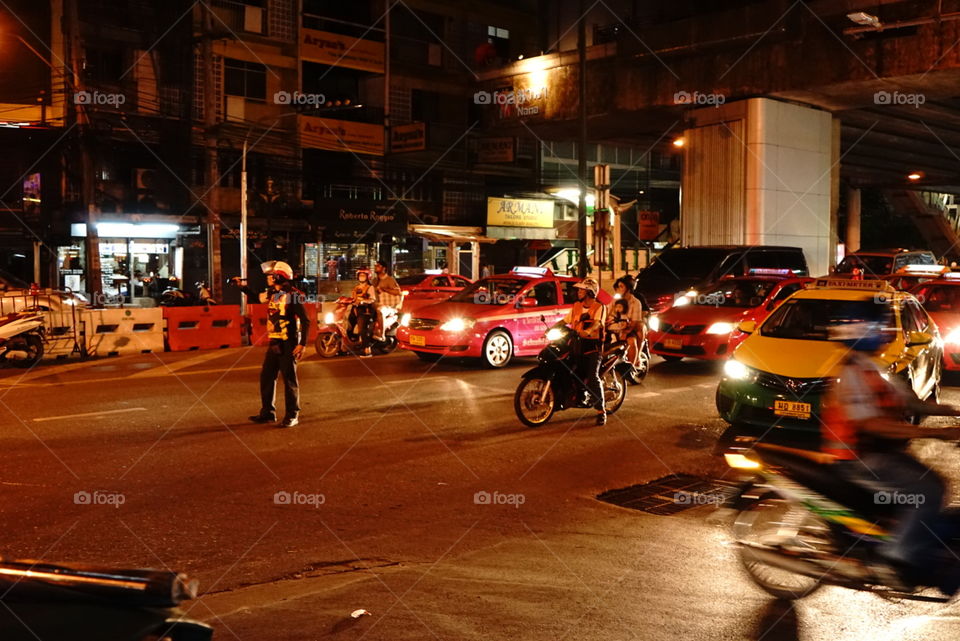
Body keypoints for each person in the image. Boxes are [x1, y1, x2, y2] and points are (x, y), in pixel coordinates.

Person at [821, 319, 960, 590]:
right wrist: (938, 433)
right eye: (879, 328)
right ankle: (898, 556)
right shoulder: (849, 375)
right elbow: (871, 424)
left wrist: (954, 413)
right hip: (859, 459)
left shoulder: (874, 369)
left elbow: (910, 402)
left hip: (882, 454)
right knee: (927, 492)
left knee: (937, 484)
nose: (886, 334)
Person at [246, 261, 310, 428]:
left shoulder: (293, 295)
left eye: (270, 276)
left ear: (278, 276)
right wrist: (241, 287)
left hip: (288, 342)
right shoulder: (274, 293)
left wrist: (302, 344)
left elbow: (305, 320)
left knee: (289, 380)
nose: (268, 278)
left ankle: (293, 414)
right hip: (274, 341)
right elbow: (256, 298)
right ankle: (267, 413)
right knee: (266, 376)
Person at [558, 277, 608, 426]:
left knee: (593, 377)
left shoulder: (599, 307)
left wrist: (588, 331)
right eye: (579, 289)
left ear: (589, 292)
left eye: (581, 290)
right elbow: (565, 320)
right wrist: (550, 328)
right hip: (577, 344)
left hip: (593, 346)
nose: (578, 292)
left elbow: (598, 323)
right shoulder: (576, 306)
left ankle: (601, 411)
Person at [609, 275, 645, 382]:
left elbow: (635, 322)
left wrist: (626, 332)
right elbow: (607, 312)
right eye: (617, 287)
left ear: (628, 288)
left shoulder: (636, 302)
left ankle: (631, 367)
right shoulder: (615, 301)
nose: (618, 289)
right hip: (613, 329)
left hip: (628, 329)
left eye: (621, 287)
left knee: (631, 341)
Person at [372, 260, 402, 341]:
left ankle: (382, 335)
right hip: (376, 303)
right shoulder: (374, 280)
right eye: (375, 266)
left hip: (388, 306)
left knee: (380, 310)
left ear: (384, 268)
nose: (376, 267)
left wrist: (384, 289)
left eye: (378, 266)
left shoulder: (389, 280)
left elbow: (397, 292)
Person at [350, 268, 377, 356]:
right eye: (360, 275)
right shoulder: (356, 287)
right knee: (348, 324)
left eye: (363, 276)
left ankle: (367, 349)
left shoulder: (370, 287)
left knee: (362, 329)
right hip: (355, 308)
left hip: (365, 310)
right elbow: (352, 298)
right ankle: (353, 343)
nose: (361, 277)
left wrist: (363, 302)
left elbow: (372, 299)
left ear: (367, 277)